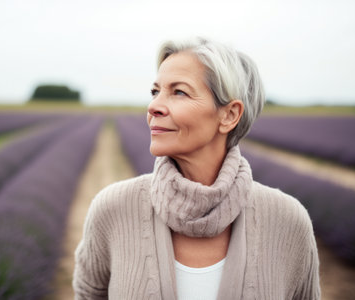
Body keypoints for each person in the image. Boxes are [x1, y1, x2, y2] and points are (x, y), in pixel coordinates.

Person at [73, 37, 320, 299]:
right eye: (155, 92)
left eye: (179, 92)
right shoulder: (112, 209)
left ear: (229, 115)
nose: (154, 106)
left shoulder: (288, 221)